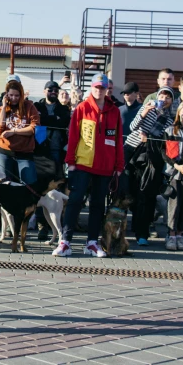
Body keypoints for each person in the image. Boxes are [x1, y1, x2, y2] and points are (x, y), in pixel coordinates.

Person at [54, 73, 124, 258]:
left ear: (107, 89)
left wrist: (119, 165)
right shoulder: (82, 108)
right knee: (75, 202)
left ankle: (92, 243)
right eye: (96, 87)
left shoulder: (115, 111)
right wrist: (70, 162)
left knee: (97, 205)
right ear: (91, 87)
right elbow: (73, 136)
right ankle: (65, 242)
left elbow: (117, 139)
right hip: (82, 164)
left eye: (103, 88)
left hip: (105, 166)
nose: (99, 90)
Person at [124, 87, 174, 246]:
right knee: (127, 192)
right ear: (156, 96)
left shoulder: (169, 120)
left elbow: (163, 142)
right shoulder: (145, 109)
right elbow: (132, 127)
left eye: (168, 97)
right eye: (162, 95)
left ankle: (142, 233)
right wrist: (145, 112)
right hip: (132, 153)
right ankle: (119, 229)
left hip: (151, 160)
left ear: (171, 101)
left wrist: (148, 137)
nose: (164, 99)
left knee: (146, 196)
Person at [34, 81, 71, 240]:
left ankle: (57, 227)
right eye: (50, 89)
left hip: (57, 152)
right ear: (44, 91)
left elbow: (62, 121)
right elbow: (38, 121)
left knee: (56, 191)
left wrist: (49, 119)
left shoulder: (63, 109)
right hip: (40, 153)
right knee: (40, 190)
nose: (54, 92)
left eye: (56, 90)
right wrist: (52, 119)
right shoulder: (37, 106)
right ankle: (42, 226)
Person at [162, 101, 183, 251]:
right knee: (174, 206)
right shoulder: (171, 131)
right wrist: (177, 166)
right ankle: (171, 234)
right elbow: (167, 153)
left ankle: (181, 235)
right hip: (175, 174)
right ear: (179, 113)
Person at [0, 80, 40, 184]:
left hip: (24, 153)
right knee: (4, 184)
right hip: (3, 152)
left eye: (17, 95)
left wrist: (14, 131)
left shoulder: (29, 107)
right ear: (6, 95)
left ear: (21, 95)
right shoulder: (2, 108)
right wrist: (4, 107)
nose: (14, 98)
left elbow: (34, 128)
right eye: (11, 95)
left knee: (30, 185)